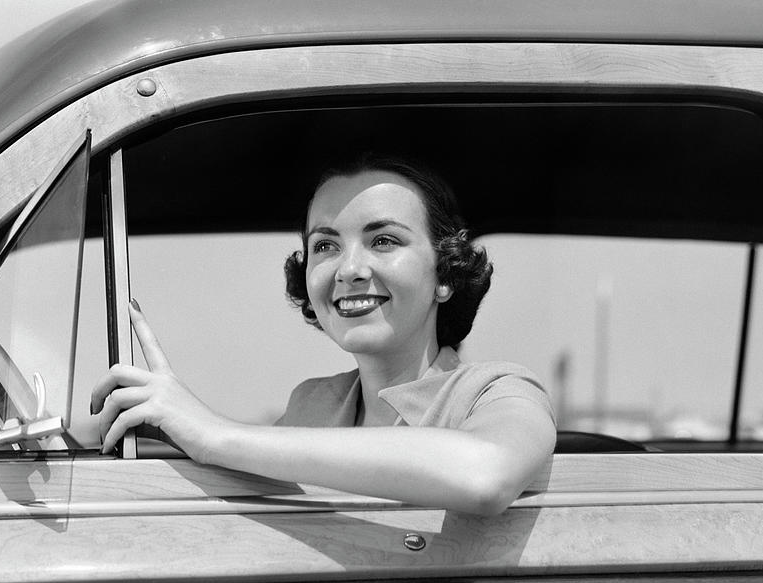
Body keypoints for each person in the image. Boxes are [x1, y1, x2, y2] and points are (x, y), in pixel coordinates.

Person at [91, 154, 555, 515]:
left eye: (384, 240)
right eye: (326, 246)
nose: (349, 269)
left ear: (445, 272)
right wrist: (161, 424)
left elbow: (485, 476)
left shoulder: (497, 392)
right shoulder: (311, 405)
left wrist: (217, 434)